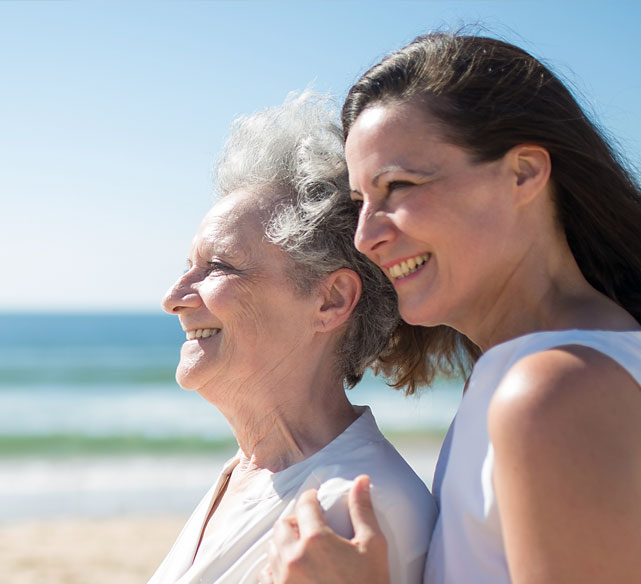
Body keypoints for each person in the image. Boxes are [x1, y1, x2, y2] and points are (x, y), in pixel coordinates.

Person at [263, 33, 641, 583]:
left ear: (523, 172)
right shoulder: (575, 366)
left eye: (399, 186)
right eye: (361, 204)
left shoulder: (554, 396)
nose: (365, 236)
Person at [148, 93, 436, 584]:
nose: (173, 298)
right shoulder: (247, 473)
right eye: (186, 268)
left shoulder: (361, 508)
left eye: (217, 267)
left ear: (331, 300)